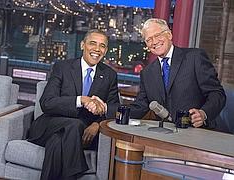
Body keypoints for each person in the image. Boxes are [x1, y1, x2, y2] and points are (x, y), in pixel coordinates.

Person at [28, 29, 120, 180]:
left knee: (57, 143)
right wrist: (81, 100)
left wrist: (97, 125)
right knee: (75, 125)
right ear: (83, 45)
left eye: (102, 46)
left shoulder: (110, 75)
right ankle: (76, 171)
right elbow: (47, 103)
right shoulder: (62, 67)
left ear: (106, 50)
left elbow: (113, 108)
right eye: (93, 43)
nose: (97, 49)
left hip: (84, 135)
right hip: (50, 124)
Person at [130, 18, 226, 129]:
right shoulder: (147, 73)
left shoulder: (194, 58)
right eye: (149, 39)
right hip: (163, 135)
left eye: (157, 35)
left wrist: (204, 114)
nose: (154, 42)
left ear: (169, 35)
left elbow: (217, 93)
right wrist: (109, 110)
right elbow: (140, 107)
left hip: (196, 132)